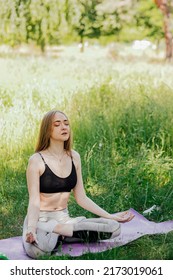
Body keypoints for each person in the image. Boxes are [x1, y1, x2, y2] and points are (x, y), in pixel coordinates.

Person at [22, 110, 134, 258]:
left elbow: (81, 197)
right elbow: (34, 201)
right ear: (47, 130)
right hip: (41, 220)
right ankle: (63, 232)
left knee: (114, 228)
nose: (64, 127)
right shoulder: (36, 160)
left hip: (65, 219)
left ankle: (61, 233)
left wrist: (110, 216)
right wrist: (31, 228)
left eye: (66, 123)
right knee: (39, 251)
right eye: (57, 124)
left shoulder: (74, 157)